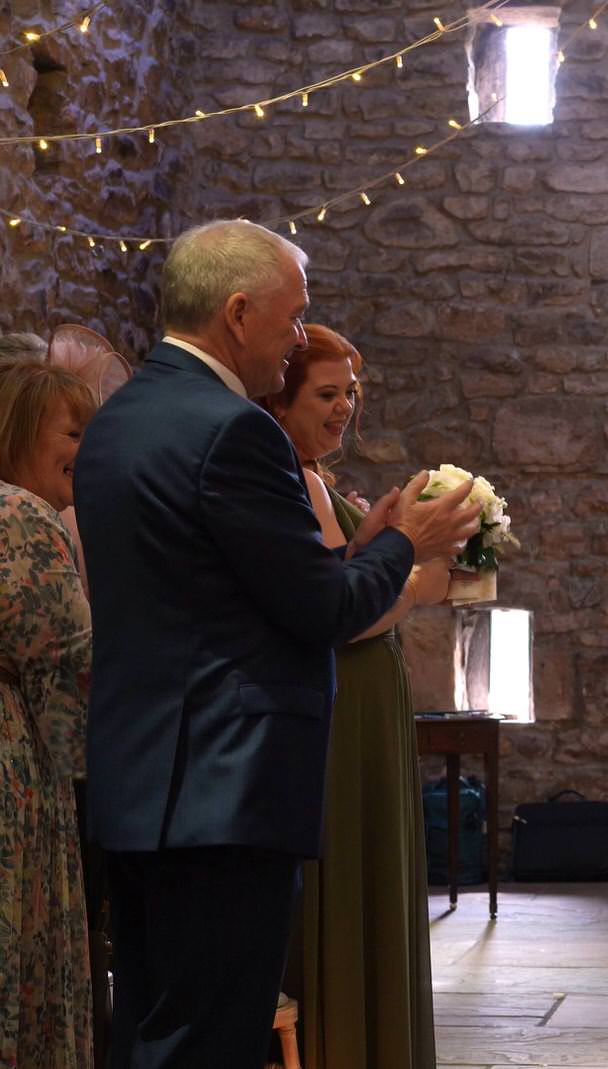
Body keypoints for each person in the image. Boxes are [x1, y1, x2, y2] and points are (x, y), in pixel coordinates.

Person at [73, 219, 482, 1069]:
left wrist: (364, 542)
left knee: (150, 1030)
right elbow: (322, 609)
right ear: (237, 313)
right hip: (224, 793)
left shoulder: (121, 419)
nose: (298, 336)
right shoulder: (236, 429)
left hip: (139, 781)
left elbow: (219, 588)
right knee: (210, 1042)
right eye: (293, 319)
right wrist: (408, 539)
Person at [265, 325, 445, 1069]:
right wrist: (419, 587)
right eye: (327, 393)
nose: (345, 408)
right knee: (348, 895)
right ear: (283, 397)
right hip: (342, 717)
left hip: (364, 711)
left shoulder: (314, 476)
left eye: (352, 393)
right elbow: (334, 619)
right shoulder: (296, 479)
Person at [0, 362, 95, 1069]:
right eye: (73, 433)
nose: (84, 452)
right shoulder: (24, 518)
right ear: (19, 432)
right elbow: (75, 660)